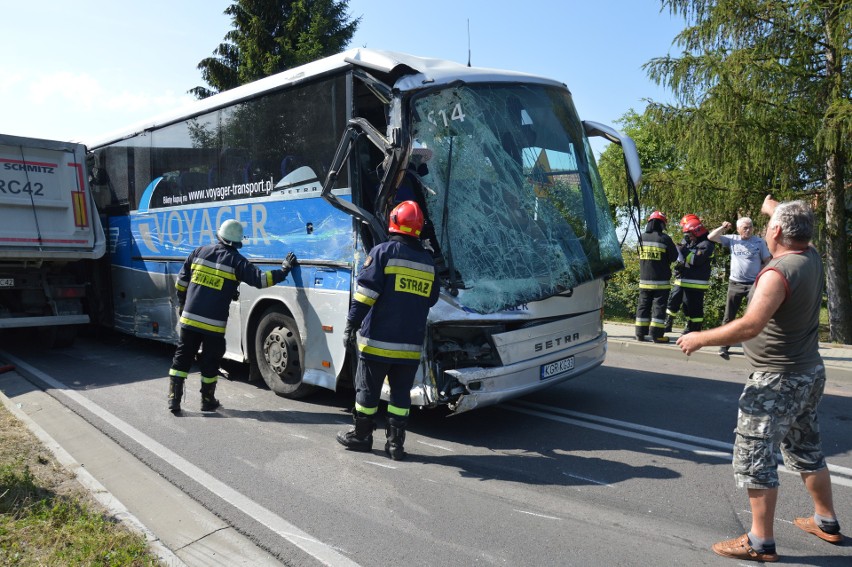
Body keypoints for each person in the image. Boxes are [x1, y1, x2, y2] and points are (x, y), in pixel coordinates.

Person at [677, 196, 842, 562]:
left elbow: (750, 325)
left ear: (778, 231)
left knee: (755, 456)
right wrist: (774, 210)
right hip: (809, 373)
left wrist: (699, 337)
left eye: (771, 225)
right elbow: (799, 224)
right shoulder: (810, 256)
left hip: (775, 381)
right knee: (805, 447)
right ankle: (826, 522)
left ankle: (760, 541)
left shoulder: (776, 273)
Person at [336, 200, 440, 460]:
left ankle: (361, 436)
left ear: (394, 221)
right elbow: (432, 299)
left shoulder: (383, 252)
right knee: (401, 396)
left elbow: (365, 295)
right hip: (410, 346)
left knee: (367, 393)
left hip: (378, 342)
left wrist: (351, 324)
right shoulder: (428, 261)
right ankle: (396, 446)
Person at [167, 219, 297, 413]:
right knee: (210, 363)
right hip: (213, 326)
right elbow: (261, 280)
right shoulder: (237, 261)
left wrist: (183, 305)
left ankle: (173, 400)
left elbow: (181, 283)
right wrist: (284, 270)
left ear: (219, 236)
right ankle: (207, 400)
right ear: (237, 242)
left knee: (182, 358)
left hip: (189, 320)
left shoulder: (198, 252)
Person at [708, 217, 771, 359]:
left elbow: (767, 260)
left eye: (750, 227)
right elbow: (711, 237)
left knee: (752, 317)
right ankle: (724, 347)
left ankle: (753, 349)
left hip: (752, 285)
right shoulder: (732, 239)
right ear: (738, 229)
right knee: (729, 316)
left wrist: (762, 273)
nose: (748, 230)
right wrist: (723, 227)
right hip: (735, 284)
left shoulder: (759, 242)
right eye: (745, 228)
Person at [634, 211, 679, 343]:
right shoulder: (664, 239)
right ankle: (657, 335)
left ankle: (640, 334)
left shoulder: (641, 237)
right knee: (658, 308)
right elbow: (674, 257)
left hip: (644, 281)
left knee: (643, 306)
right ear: (661, 224)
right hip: (661, 282)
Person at [666, 216, 715, 335]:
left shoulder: (706, 244)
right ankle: (668, 322)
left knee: (694, 307)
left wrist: (684, 251)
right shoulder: (689, 241)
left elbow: (696, 260)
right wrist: (679, 265)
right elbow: (683, 256)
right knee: (675, 300)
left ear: (697, 231)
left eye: (690, 234)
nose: (688, 237)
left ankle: (694, 328)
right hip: (684, 278)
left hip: (696, 282)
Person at [664, 213, 700, 333]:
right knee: (674, 298)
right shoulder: (686, 239)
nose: (685, 232)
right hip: (682, 274)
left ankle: (689, 324)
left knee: (688, 303)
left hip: (692, 276)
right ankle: (668, 321)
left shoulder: (701, 241)